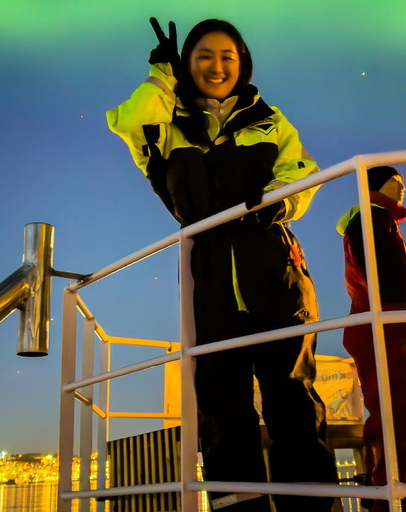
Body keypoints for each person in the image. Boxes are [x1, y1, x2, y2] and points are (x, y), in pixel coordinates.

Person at [106, 18, 337, 512]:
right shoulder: (166, 127)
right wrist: (161, 77)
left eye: (227, 56)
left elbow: (303, 172)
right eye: (203, 56)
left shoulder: (269, 119)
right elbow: (130, 120)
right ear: (187, 65)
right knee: (223, 414)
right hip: (210, 279)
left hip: (276, 274)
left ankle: (314, 507)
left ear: (243, 63)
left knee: (294, 403)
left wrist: (280, 202)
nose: (216, 66)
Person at [336, 166, 406, 512]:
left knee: (391, 409)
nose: (402, 188)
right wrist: (400, 307)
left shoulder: (369, 218)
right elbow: (387, 275)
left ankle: (390, 492)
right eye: (395, 182)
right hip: (386, 321)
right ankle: (391, 495)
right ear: (376, 186)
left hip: (381, 320)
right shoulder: (373, 218)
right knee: (395, 411)